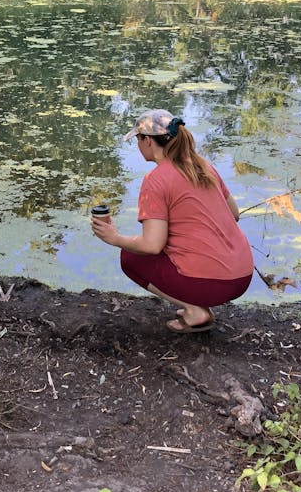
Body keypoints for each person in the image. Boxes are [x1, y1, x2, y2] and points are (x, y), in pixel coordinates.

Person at [91, 109, 254, 333]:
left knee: (130, 257)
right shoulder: (203, 166)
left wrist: (115, 238)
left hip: (215, 284)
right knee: (170, 248)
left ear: (148, 141)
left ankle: (195, 311)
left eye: (138, 139)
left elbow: (151, 245)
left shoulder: (156, 180)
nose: (138, 145)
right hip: (243, 276)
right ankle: (196, 301)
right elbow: (234, 214)